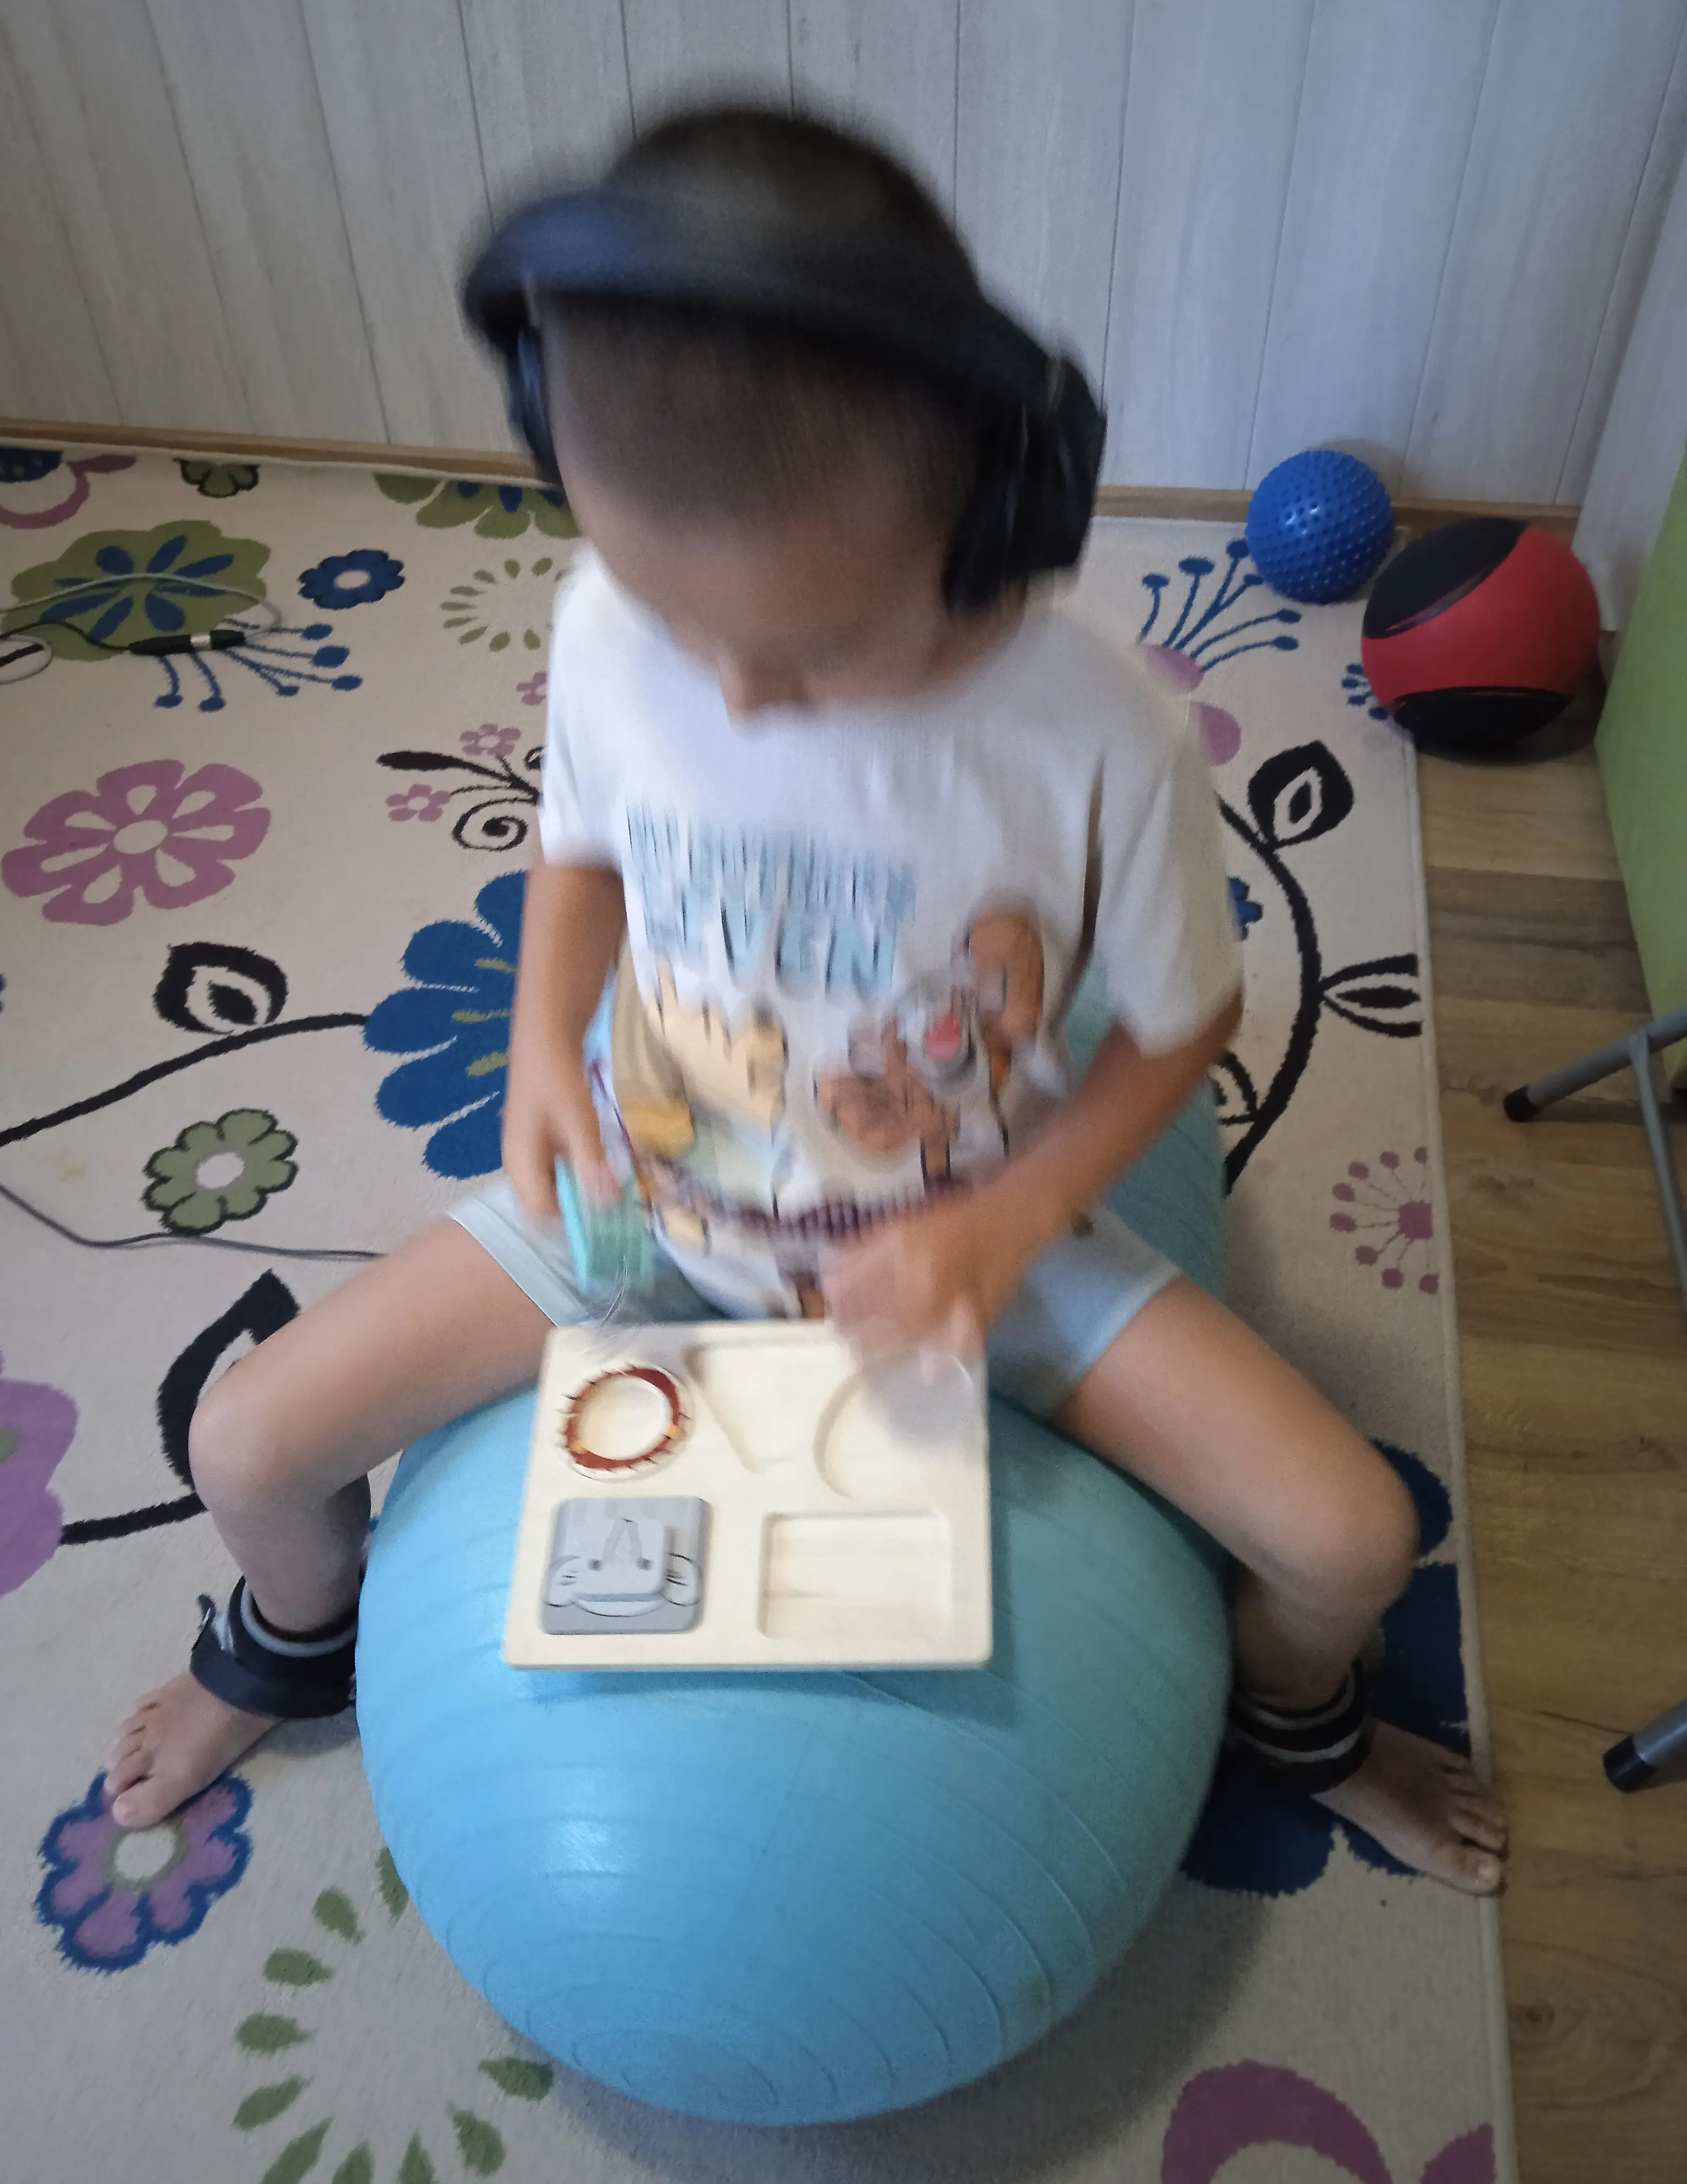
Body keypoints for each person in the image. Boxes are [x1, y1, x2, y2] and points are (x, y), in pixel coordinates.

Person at [104, 105, 1505, 1895]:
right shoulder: (608, 621)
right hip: (644, 1207)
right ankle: (295, 1644)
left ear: (995, 511)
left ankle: (1295, 1719)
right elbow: (582, 848)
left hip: (967, 1241)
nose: (741, 698)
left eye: (818, 647)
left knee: (1352, 1538)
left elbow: (1181, 1029)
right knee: (241, 1441)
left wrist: (1001, 1226)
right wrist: (541, 1049)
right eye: (681, 628)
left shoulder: (1096, 733)